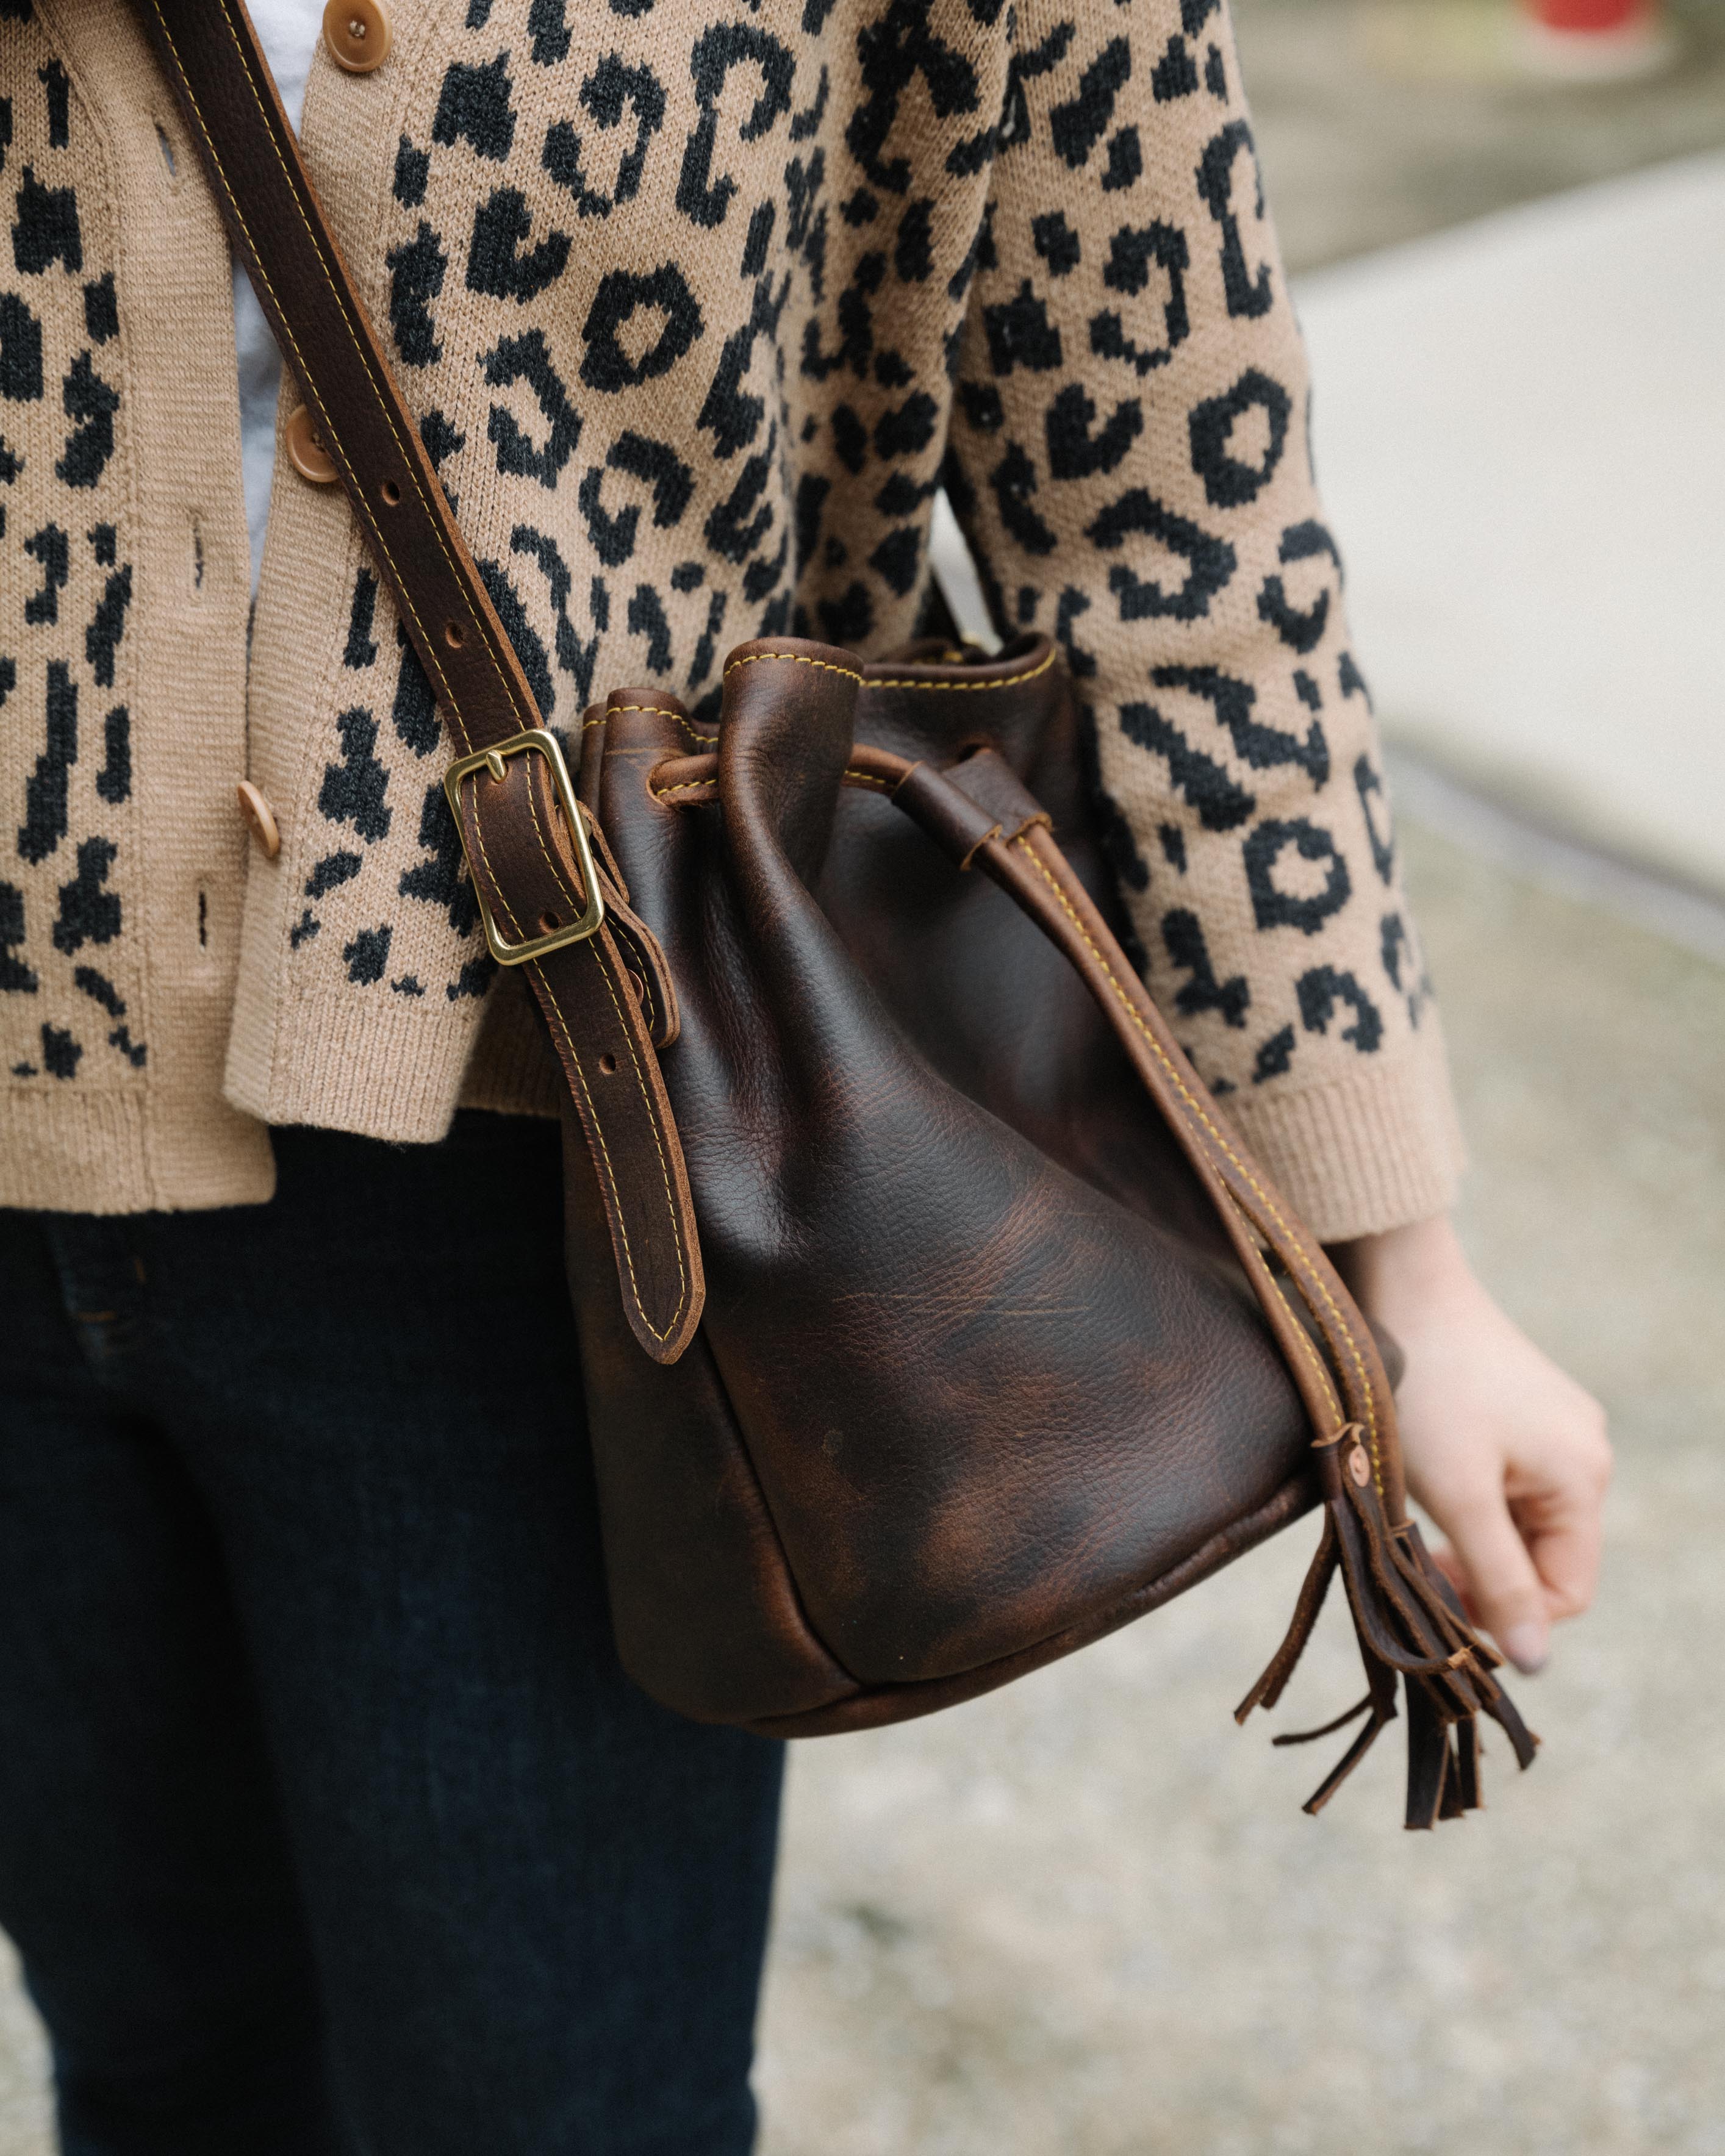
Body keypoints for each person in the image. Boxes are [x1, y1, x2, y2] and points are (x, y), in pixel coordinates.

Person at [0, 0, 1610, 2147]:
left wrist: (1387, 1254)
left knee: (565, 2113)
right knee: (165, 2074)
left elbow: (1167, 510)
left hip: (564, 1199)